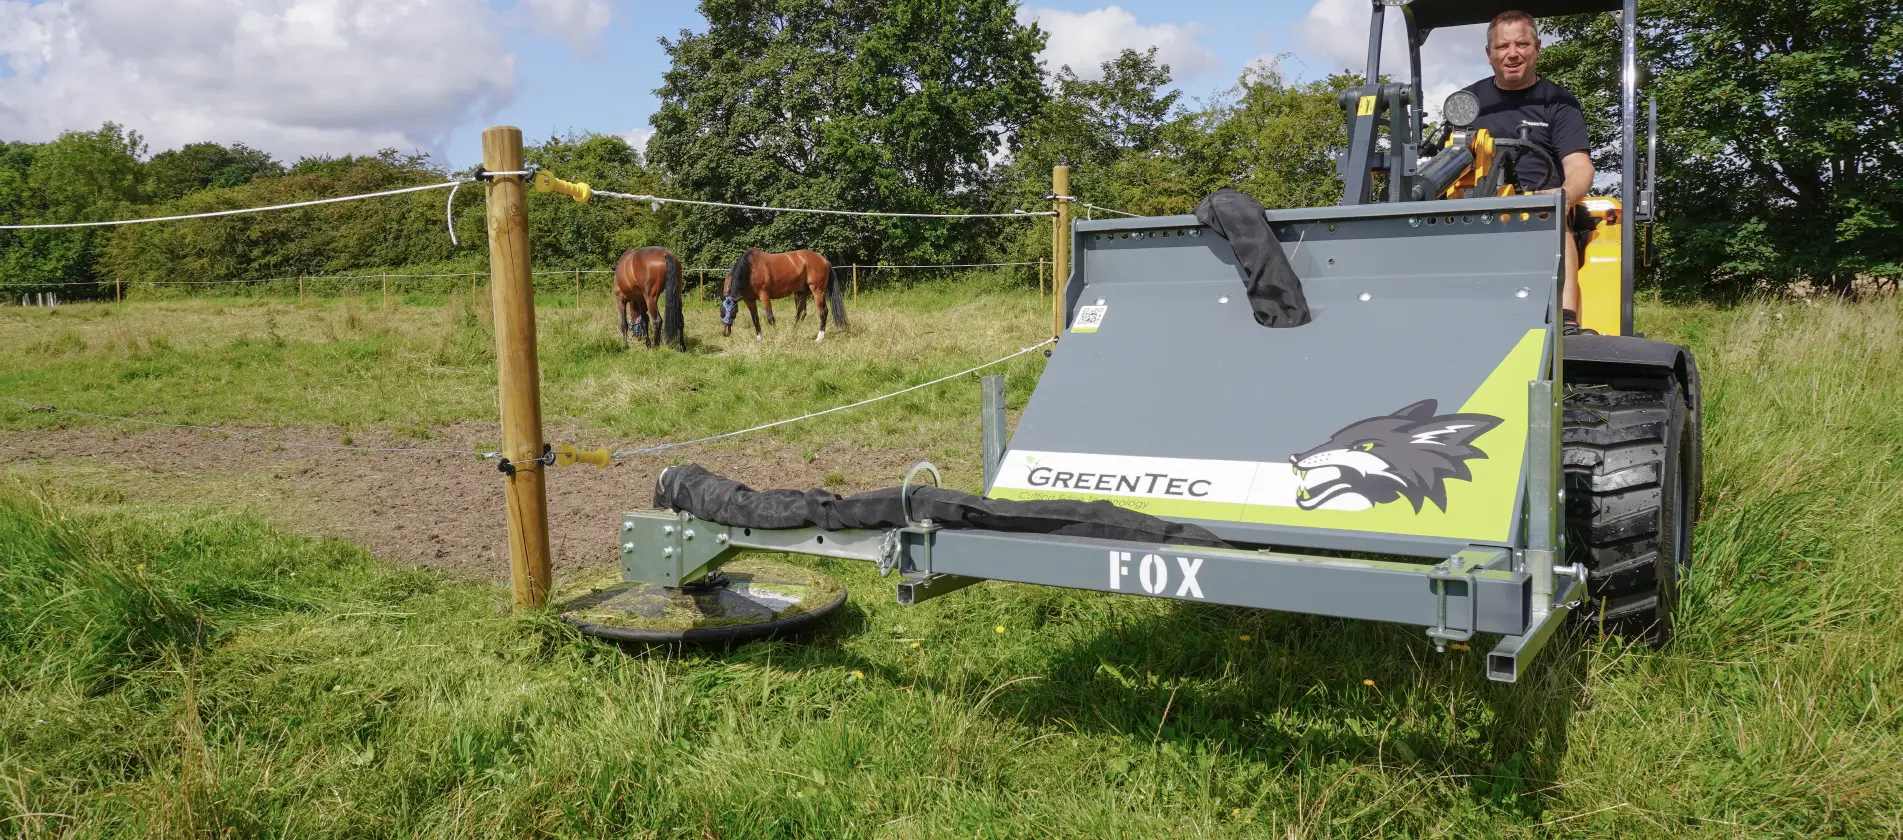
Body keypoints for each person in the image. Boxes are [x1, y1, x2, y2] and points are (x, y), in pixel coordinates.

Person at [1463, 10, 1595, 334]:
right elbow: (1444, 159)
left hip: (1538, 207)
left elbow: (1579, 166)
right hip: (1479, 208)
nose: (1512, 53)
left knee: (1553, 218)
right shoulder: (1468, 102)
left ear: (1536, 47)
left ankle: (1565, 322)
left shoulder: (1559, 103)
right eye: (1503, 46)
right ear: (1489, 53)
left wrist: (1563, 197)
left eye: (1522, 43)